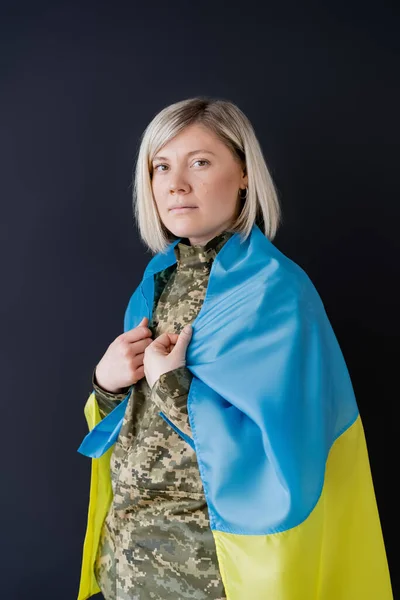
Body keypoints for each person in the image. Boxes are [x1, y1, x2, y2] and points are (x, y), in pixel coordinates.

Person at [77, 97, 393, 600]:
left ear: (244, 173)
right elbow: (137, 430)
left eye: (199, 162)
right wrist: (108, 385)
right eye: (161, 166)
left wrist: (171, 385)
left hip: (213, 567)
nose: (176, 184)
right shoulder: (156, 282)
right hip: (128, 557)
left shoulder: (277, 291)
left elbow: (290, 447)